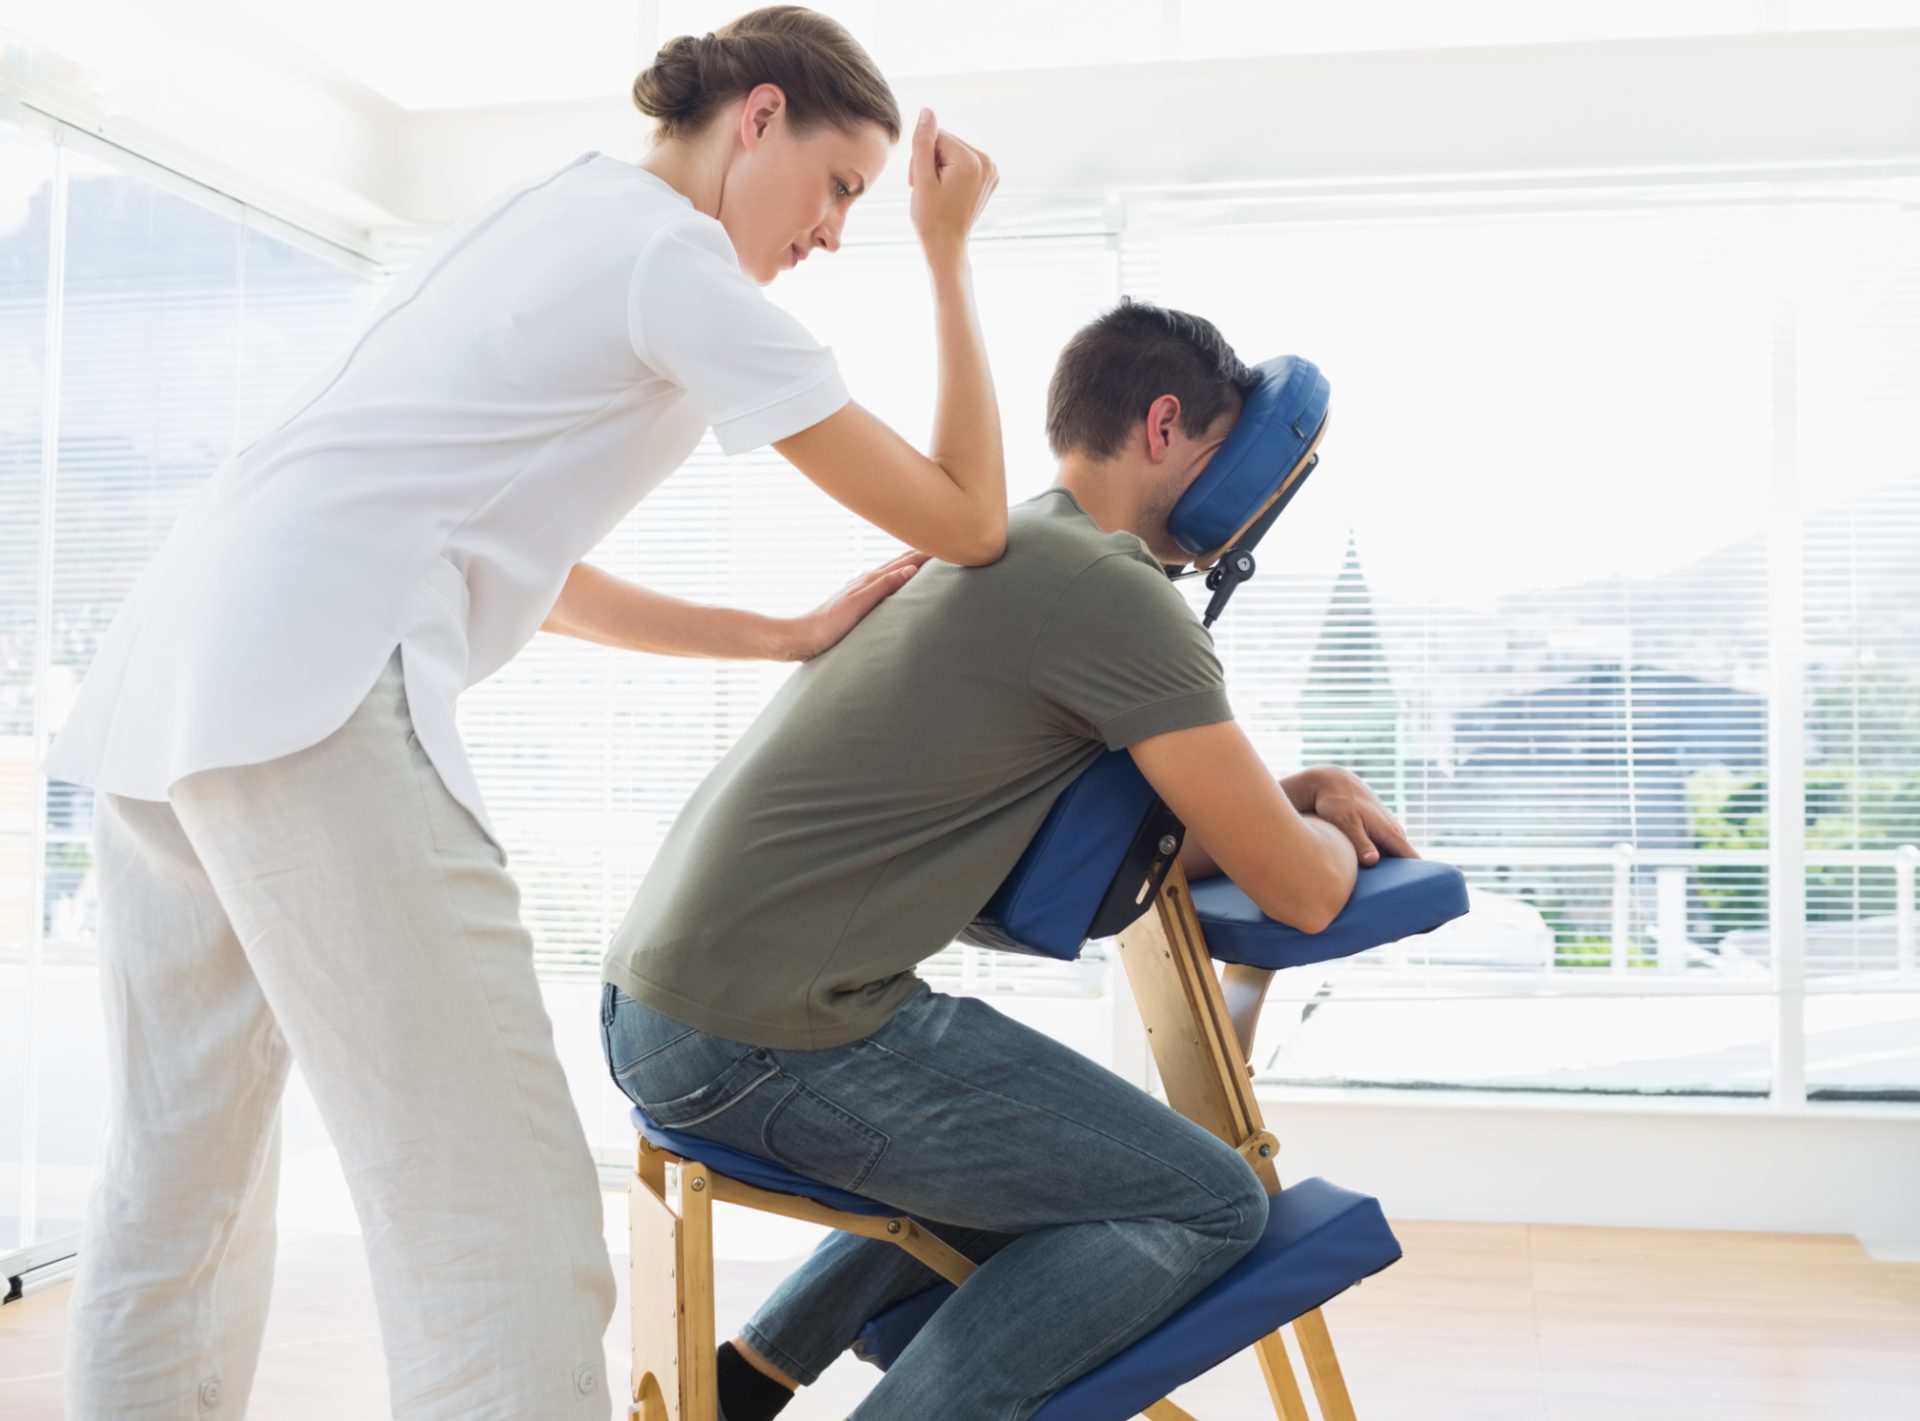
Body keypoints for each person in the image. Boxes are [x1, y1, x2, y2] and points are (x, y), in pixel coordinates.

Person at [45, 8, 1007, 1419]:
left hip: (167, 687)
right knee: (502, 1220)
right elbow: (971, 519)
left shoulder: (558, 211)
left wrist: (776, 634)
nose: (835, 233)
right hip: (311, 686)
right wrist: (947, 247)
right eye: (842, 185)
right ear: (755, 117)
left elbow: (520, 567)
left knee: (172, 1190)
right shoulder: (674, 262)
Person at [599, 300, 1418, 1421]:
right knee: (1206, 1201)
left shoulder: (1001, 546)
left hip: (667, 1007)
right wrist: (1328, 805)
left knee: (1073, 1153)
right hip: (764, 1035)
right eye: (1232, 453)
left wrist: (1274, 801)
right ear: (1167, 425)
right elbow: (1305, 888)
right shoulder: (1110, 589)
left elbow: (1140, 826)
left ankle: (751, 1376)